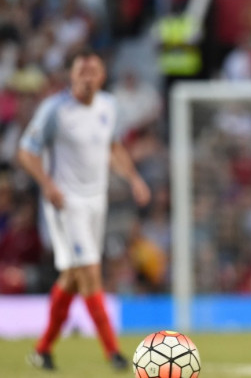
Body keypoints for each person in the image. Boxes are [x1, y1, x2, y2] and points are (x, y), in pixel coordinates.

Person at [18, 49, 151, 371]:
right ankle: (114, 354)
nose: (87, 77)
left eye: (93, 71)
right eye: (81, 71)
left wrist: (134, 178)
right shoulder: (55, 110)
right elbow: (26, 152)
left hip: (96, 200)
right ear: (72, 76)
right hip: (66, 202)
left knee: (73, 277)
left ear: (102, 76)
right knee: (91, 271)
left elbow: (113, 146)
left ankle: (42, 350)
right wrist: (48, 185)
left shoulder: (108, 106)